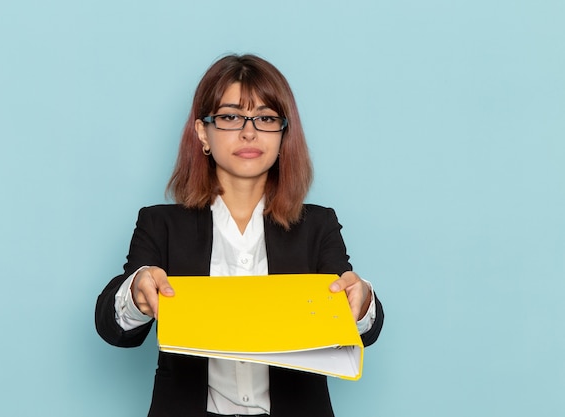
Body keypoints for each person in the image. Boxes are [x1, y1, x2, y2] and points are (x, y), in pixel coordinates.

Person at [95, 53, 384, 417]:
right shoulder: (160, 224)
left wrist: (361, 300)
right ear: (203, 132)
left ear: (282, 135)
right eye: (231, 117)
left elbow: (365, 326)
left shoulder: (318, 225)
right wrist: (137, 294)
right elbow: (113, 327)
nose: (249, 132)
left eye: (265, 118)